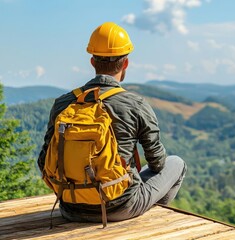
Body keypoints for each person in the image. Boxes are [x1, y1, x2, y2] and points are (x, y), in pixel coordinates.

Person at [38, 22, 187, 223]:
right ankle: (146, 221)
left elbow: (43, 161)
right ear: (125, 63)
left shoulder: (63, 103)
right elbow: (158, 162)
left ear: (92, 62)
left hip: (69, 207)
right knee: (176, 163)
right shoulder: (136, 104)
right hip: (120, 206)